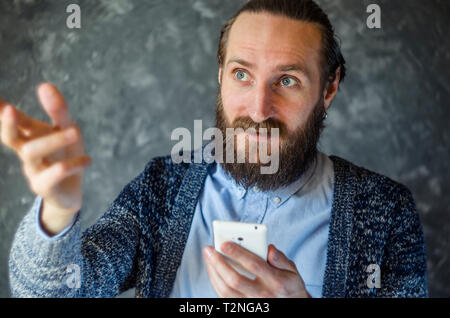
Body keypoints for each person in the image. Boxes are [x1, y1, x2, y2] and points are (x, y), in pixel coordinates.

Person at [2, 0, 427, 298]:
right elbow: (54, 292)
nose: (259, 110)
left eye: (288, 80)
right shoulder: (163, 186)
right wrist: (56, 210)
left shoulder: (385, 210)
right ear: (221, 75)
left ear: (329, 87)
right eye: (242, 75)